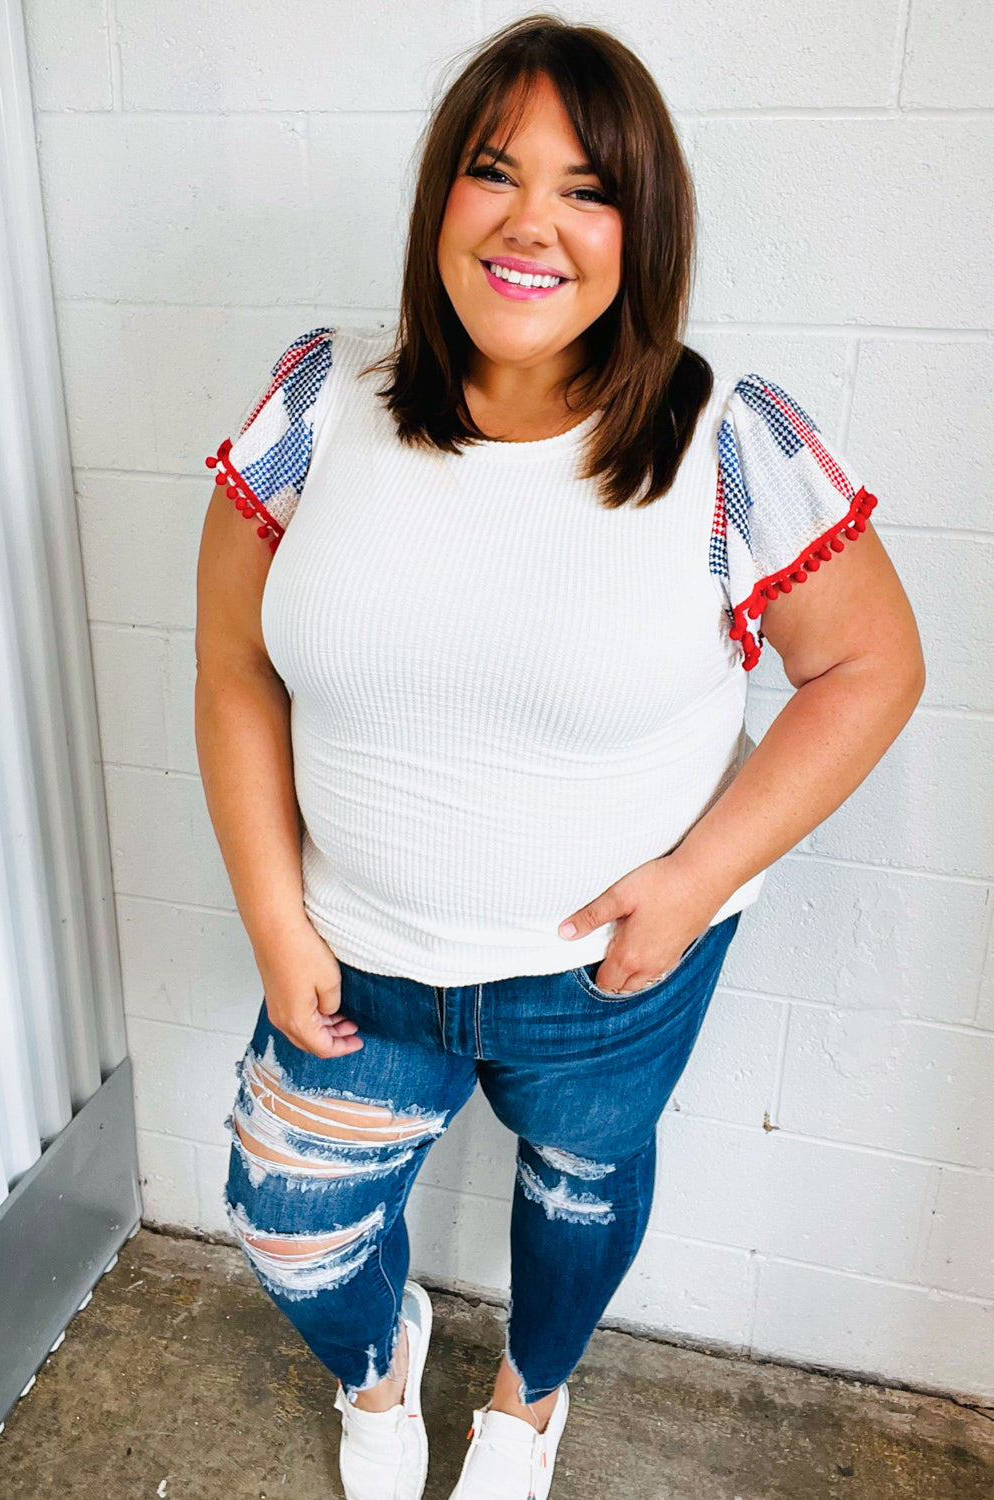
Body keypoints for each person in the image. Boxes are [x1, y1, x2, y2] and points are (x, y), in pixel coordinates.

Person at [194, 15, 925, 1500]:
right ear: (440, 198)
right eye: (494, 171)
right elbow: (233, 671)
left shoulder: (725, 439)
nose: (532, 222)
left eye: (587, 190)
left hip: (605, 979)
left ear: (641, 228)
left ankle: (527, 1403)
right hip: (351, 960)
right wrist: (274, 918)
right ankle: (380, 1364)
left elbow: (871, 667)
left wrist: (692, 886)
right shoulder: (321, 400)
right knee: (290, 1222)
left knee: (577, 1206)